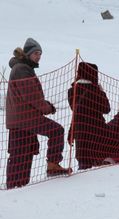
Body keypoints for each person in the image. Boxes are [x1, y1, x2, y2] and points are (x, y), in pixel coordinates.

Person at [5, 38, 69, 189]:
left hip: (18, 119)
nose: (39, 56)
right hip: (26, 117)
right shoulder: (22, 69)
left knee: (21, 152)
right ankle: (52, 165)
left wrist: (45, 106)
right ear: (27, 54)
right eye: (35, 53)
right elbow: (31, 96)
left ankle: (16, 185)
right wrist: (47, 108)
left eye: (40, 53)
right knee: (56, 130)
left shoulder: (22, 68)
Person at [67, 62, 111, 170]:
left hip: (80, 131)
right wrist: (101, 92)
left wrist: (71, 131)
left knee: (83, 166)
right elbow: (106, 109)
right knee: (99, 168)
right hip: (97, 132)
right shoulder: (96, 91)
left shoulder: (72, 91)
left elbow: (76, 112)